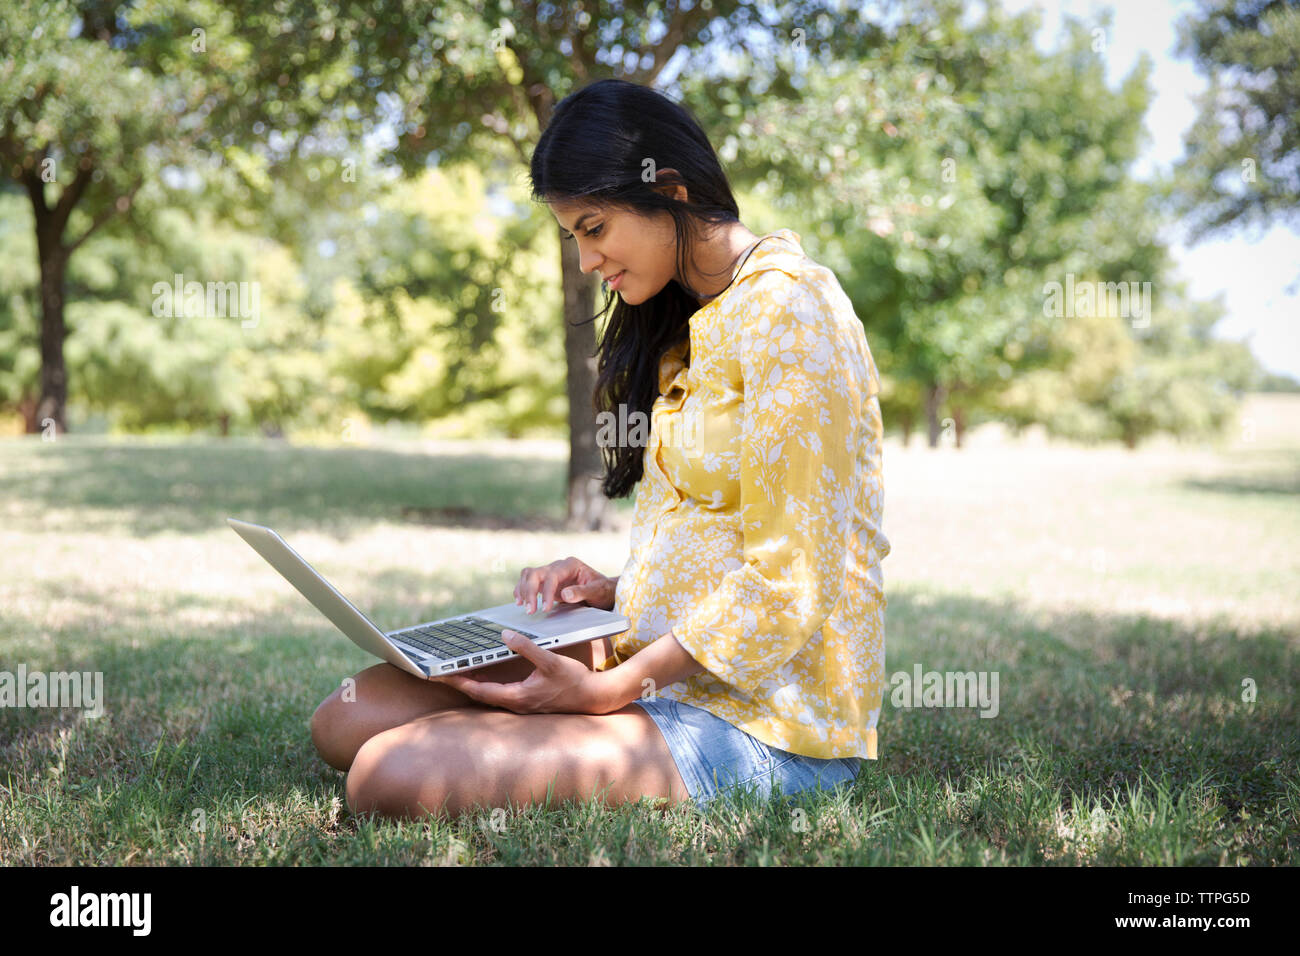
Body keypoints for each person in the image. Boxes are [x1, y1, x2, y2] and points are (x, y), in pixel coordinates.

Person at [310, 78, 891, 820]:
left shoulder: (792, 313)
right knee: (347, 718)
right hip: (653, 661)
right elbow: (722, 532)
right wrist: (619, 587)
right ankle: (547, 728)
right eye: (573, 237)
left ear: (670, 191)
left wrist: (611, 691)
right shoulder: (696, 321)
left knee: (385, 773)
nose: (587, 262)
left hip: (761, 722)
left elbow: (789, 581)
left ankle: (548, 735)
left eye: (594, 227)